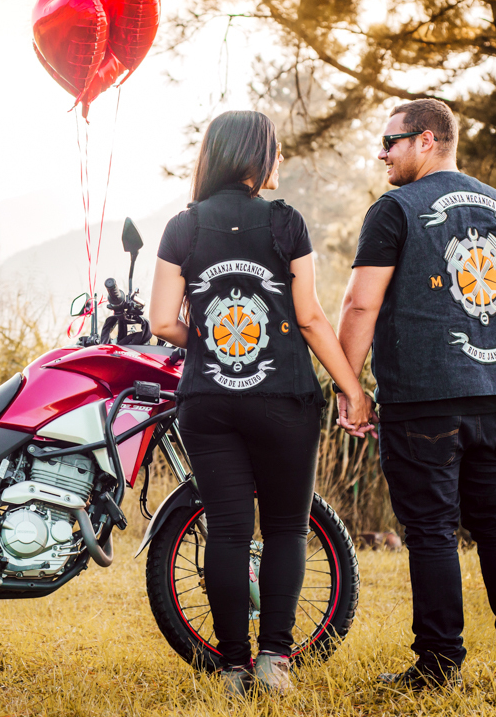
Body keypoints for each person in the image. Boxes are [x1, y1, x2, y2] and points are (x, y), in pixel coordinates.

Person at [149, 110, 373, 696]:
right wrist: (352, 388)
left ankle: (232, 669)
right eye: (274, 150)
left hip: (208, 399)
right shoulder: (285, 224)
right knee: (284, 528)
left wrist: (205, 335)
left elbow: (160, 321)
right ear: (255, 156)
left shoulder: (184, 225)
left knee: (226, 531)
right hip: (283, 398)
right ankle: (275, 663)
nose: (279, 161)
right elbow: (310, 317)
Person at [335, 99, 496, 688]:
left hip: (424, 399)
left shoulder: (395, 209)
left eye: (391, 141)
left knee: (431, 531)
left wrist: (347, 386)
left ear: (426, 140)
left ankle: (438, 665)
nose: (382, 153)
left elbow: (359, 303)